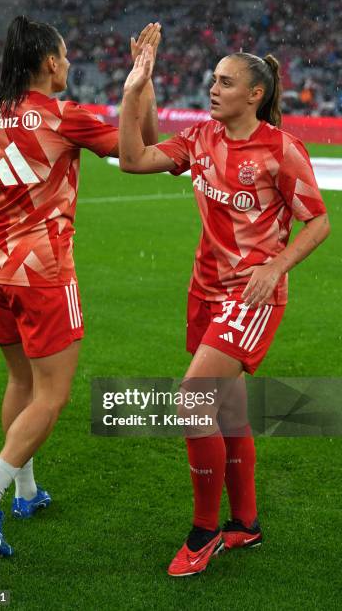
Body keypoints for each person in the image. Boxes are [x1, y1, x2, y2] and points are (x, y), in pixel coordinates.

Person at [0, 16, 161, 557]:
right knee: (53, 393)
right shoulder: (65, 117)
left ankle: (27, 492)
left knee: (20, 381)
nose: (68, 65)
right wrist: (143, 79)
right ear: (49, 62)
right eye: (64, 56)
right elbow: (138, 154)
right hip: (43, 271)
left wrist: (8, 204)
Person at [119, 45, 330, 577]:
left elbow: (319, 222)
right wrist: (136, 87)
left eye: (225, 82)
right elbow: (135, 158)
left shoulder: (281, 149)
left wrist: (275, 266)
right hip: (205, 289)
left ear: (255, 95)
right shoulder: (200, 137)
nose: (213, 88)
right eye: (213, 79)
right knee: (229, 410)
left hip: (251, 295)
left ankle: (205, 531)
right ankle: (247, 525)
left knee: (192, 401)